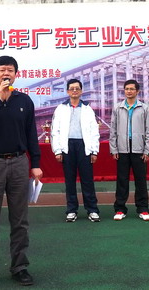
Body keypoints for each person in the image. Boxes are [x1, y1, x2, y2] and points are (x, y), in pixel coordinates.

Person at [0, 56, 43, 289]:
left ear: (16, 74)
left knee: (20, 220)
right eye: (2, 70)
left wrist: (35, 163)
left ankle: (20, 267)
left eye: (10, 70)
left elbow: (31, 133)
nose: (6, 73)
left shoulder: (24, 100)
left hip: (19, 162)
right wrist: (0, 100)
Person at [50, 78, 101, 222]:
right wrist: (57, 150)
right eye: (71, 88)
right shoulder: (60, 108)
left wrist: (94, 151)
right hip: (67, 147)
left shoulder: (87, 108)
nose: (74, 91)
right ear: (67, 91)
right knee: (70, 180)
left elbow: (94, 131)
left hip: (84, 146)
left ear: (81, 91)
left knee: (87, 180)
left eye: (77, 88)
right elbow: (55, 131)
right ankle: (71, 210)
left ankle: (92, 210)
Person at [109, 79, 149, 222]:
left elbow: (148, 130)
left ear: (137, 91)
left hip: (139, 148)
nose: (129, 91)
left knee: (141, 180)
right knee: (122, 180)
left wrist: (147, 150)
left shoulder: (144, 108)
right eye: (127, 89)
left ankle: (143, 209)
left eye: (132, 89)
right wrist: (113, 149)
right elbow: (113, 130)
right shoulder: (118, 108)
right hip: (122, 148)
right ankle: (120, 209)